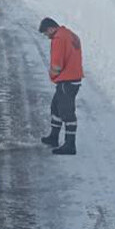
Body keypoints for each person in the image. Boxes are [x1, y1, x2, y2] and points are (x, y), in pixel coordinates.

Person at [38, 17, 83, 155]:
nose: (47, 37)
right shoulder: (70, 34)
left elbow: (57, 64)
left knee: (66, 112)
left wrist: (53, 76)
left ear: (51, 28)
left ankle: (70, 145)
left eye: (46, 34)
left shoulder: (58, 39)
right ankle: (54, 137)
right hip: (73, 77)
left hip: (66, 80)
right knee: (56, 108)